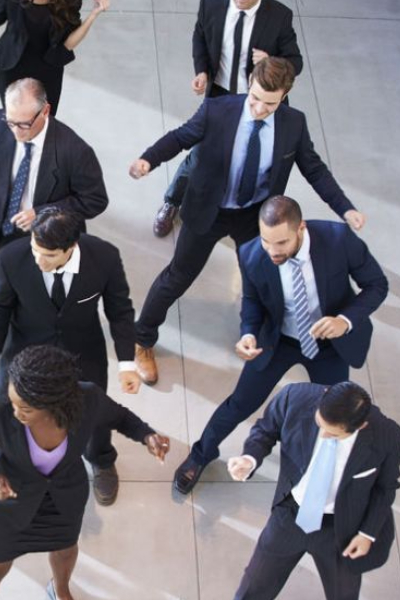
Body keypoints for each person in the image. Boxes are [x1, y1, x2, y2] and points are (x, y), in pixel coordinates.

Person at [128, 57, 366, 386]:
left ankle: (255, 338)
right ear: (249, 86)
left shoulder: (293, 123)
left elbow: (314, 169)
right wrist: (148, 160)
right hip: (208, 211)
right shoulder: (217, 110)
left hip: (253, 217)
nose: (257, 108)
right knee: (177, 277)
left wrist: (345, 208)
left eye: (268, 103)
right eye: (254, 98)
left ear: (284, 96)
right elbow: (180, 137)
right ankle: (142, 340)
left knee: (262, 280)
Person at [173, 195, 387, 494]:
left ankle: (322, 476)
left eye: (281, 243)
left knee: (333, 416)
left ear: (300, 228)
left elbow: (377, 285)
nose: (272, 251)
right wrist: (248, 332)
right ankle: (201, 454)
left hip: (329, 344)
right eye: (266, 241)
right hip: (278, 342)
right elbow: (251, 301)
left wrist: (345, 321)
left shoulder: (338, 240)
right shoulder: (251, 254)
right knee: (239, 403)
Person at [0, 208, 140, 507]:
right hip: (23, 347)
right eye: (35, 250)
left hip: (81, 350)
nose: (38, 261)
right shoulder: (12, 257)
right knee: (1, 409)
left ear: (71, 248)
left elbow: (120, 311)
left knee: (95, 408)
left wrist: (127, 364)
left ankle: (101, 459)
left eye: (48, 256)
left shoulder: (105, 257)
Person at [0, 345, 169, 600]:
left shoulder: (86, 399)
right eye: (14, 403)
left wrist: (147, 436)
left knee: (66, 550)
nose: (16, 412)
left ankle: (60, 588)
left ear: (52, 404)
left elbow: (120, 417)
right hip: (8, 504)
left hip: (63, 498)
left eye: (25, 409)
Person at [0, 77, 108, 320]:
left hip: (47, 239)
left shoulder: (75, 150)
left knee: (39, 308)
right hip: (3, 230)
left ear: (45, 111)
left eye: (23, 125)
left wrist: (43, 212)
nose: (15, 131)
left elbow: (95, 199)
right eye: (11, 122)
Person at [227, 381, 400, 599]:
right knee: (254, 588)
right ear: (324, 396)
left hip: (342, 529)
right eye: (320, 424)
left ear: (361, 426)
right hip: (290, 515)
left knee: (344, 595)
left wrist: (367, 534)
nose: (324, 436)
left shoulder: (388, 435)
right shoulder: (294, 397)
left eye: (334, 434)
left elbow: (385, 489)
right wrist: (249, 458)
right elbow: (266, 429)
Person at [152, 0, 303, 237]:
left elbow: (296, 62)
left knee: (251, 161)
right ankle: (172, 201)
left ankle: (242, 213)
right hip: (221, 98)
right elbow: (200, 35)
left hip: (257, 103)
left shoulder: (279, 16)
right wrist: (201, 70)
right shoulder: (212, 4)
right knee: (199, 157)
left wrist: (272, 61)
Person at [0, 0, 110, 115]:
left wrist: (93, 14)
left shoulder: (68, 1)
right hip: (12, 68)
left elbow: (67, 44)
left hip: (48, 72)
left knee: (44, 125)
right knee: (15, 122)